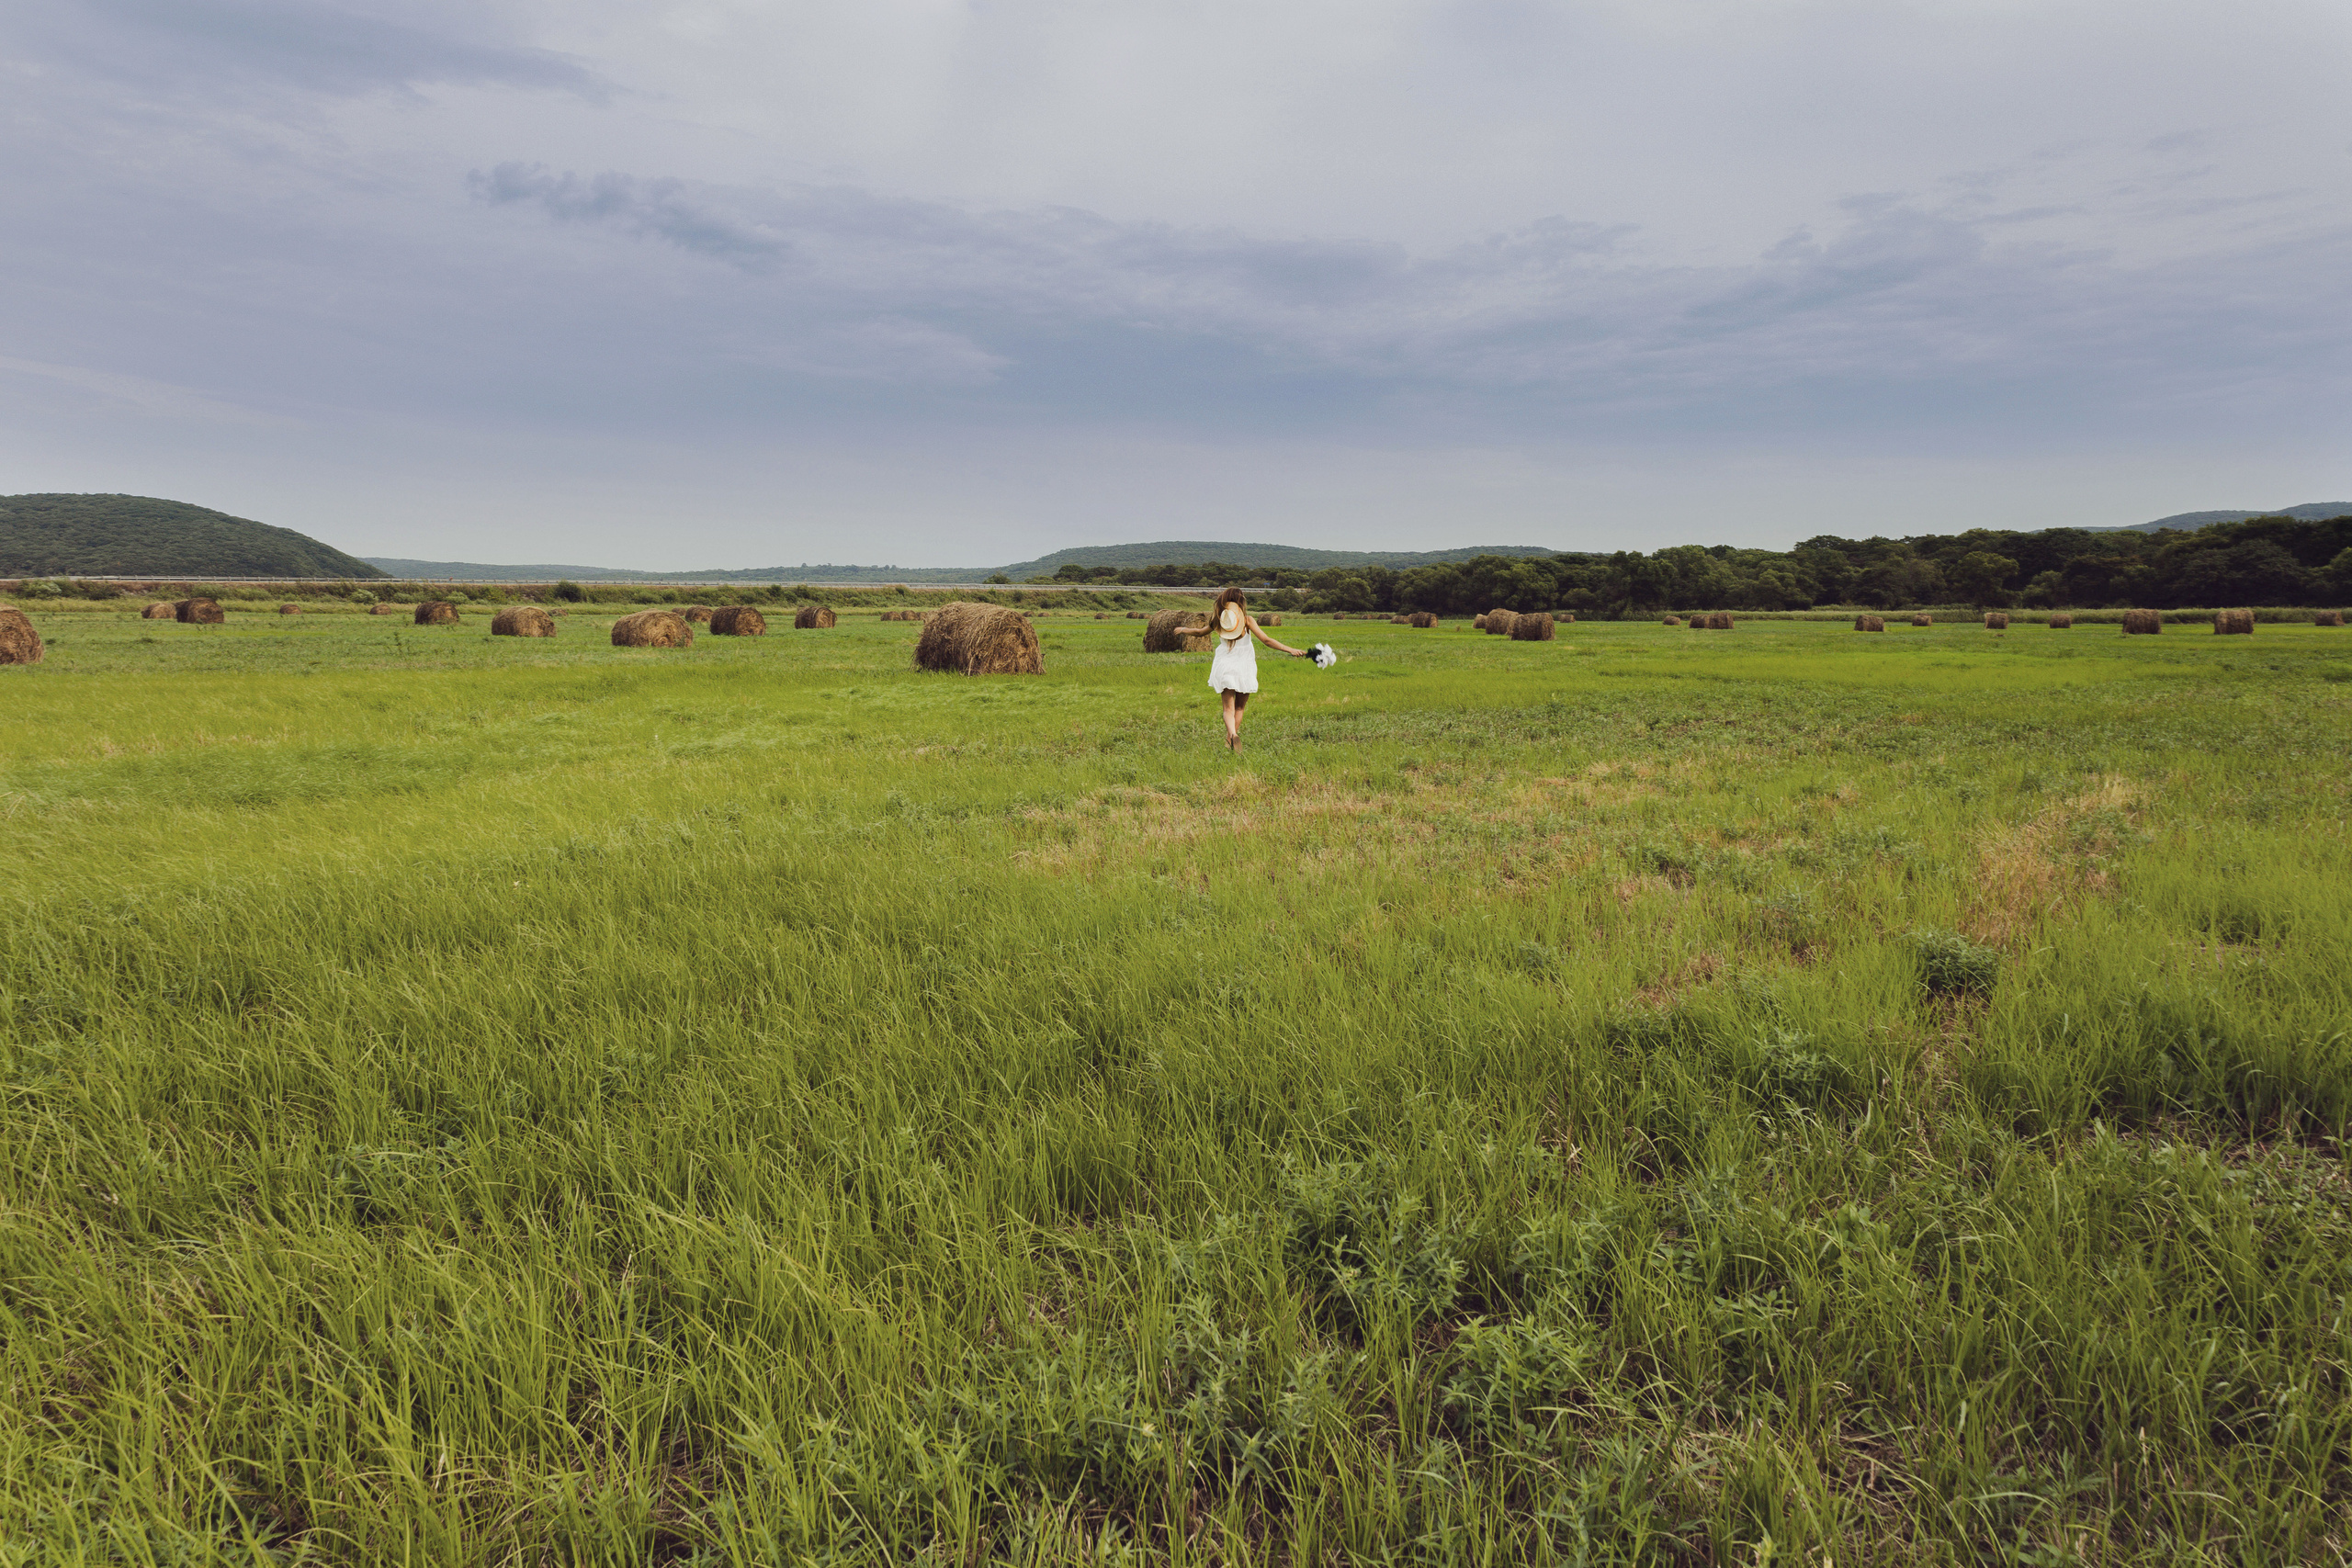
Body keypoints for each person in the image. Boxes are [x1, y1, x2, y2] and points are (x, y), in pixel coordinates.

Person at [1170, 587, 1307, 752]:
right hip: (1244, 667)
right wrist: (1290, 649)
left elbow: (1200, 633)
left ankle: (1232, 735)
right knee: (1240, 708)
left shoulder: (1218, 620)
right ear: (1240, 601)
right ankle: (1230, 739)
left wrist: (1183, 629)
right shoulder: (1247, 620)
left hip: (1225, 666)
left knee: (1227, 708)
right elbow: (1266, 640)